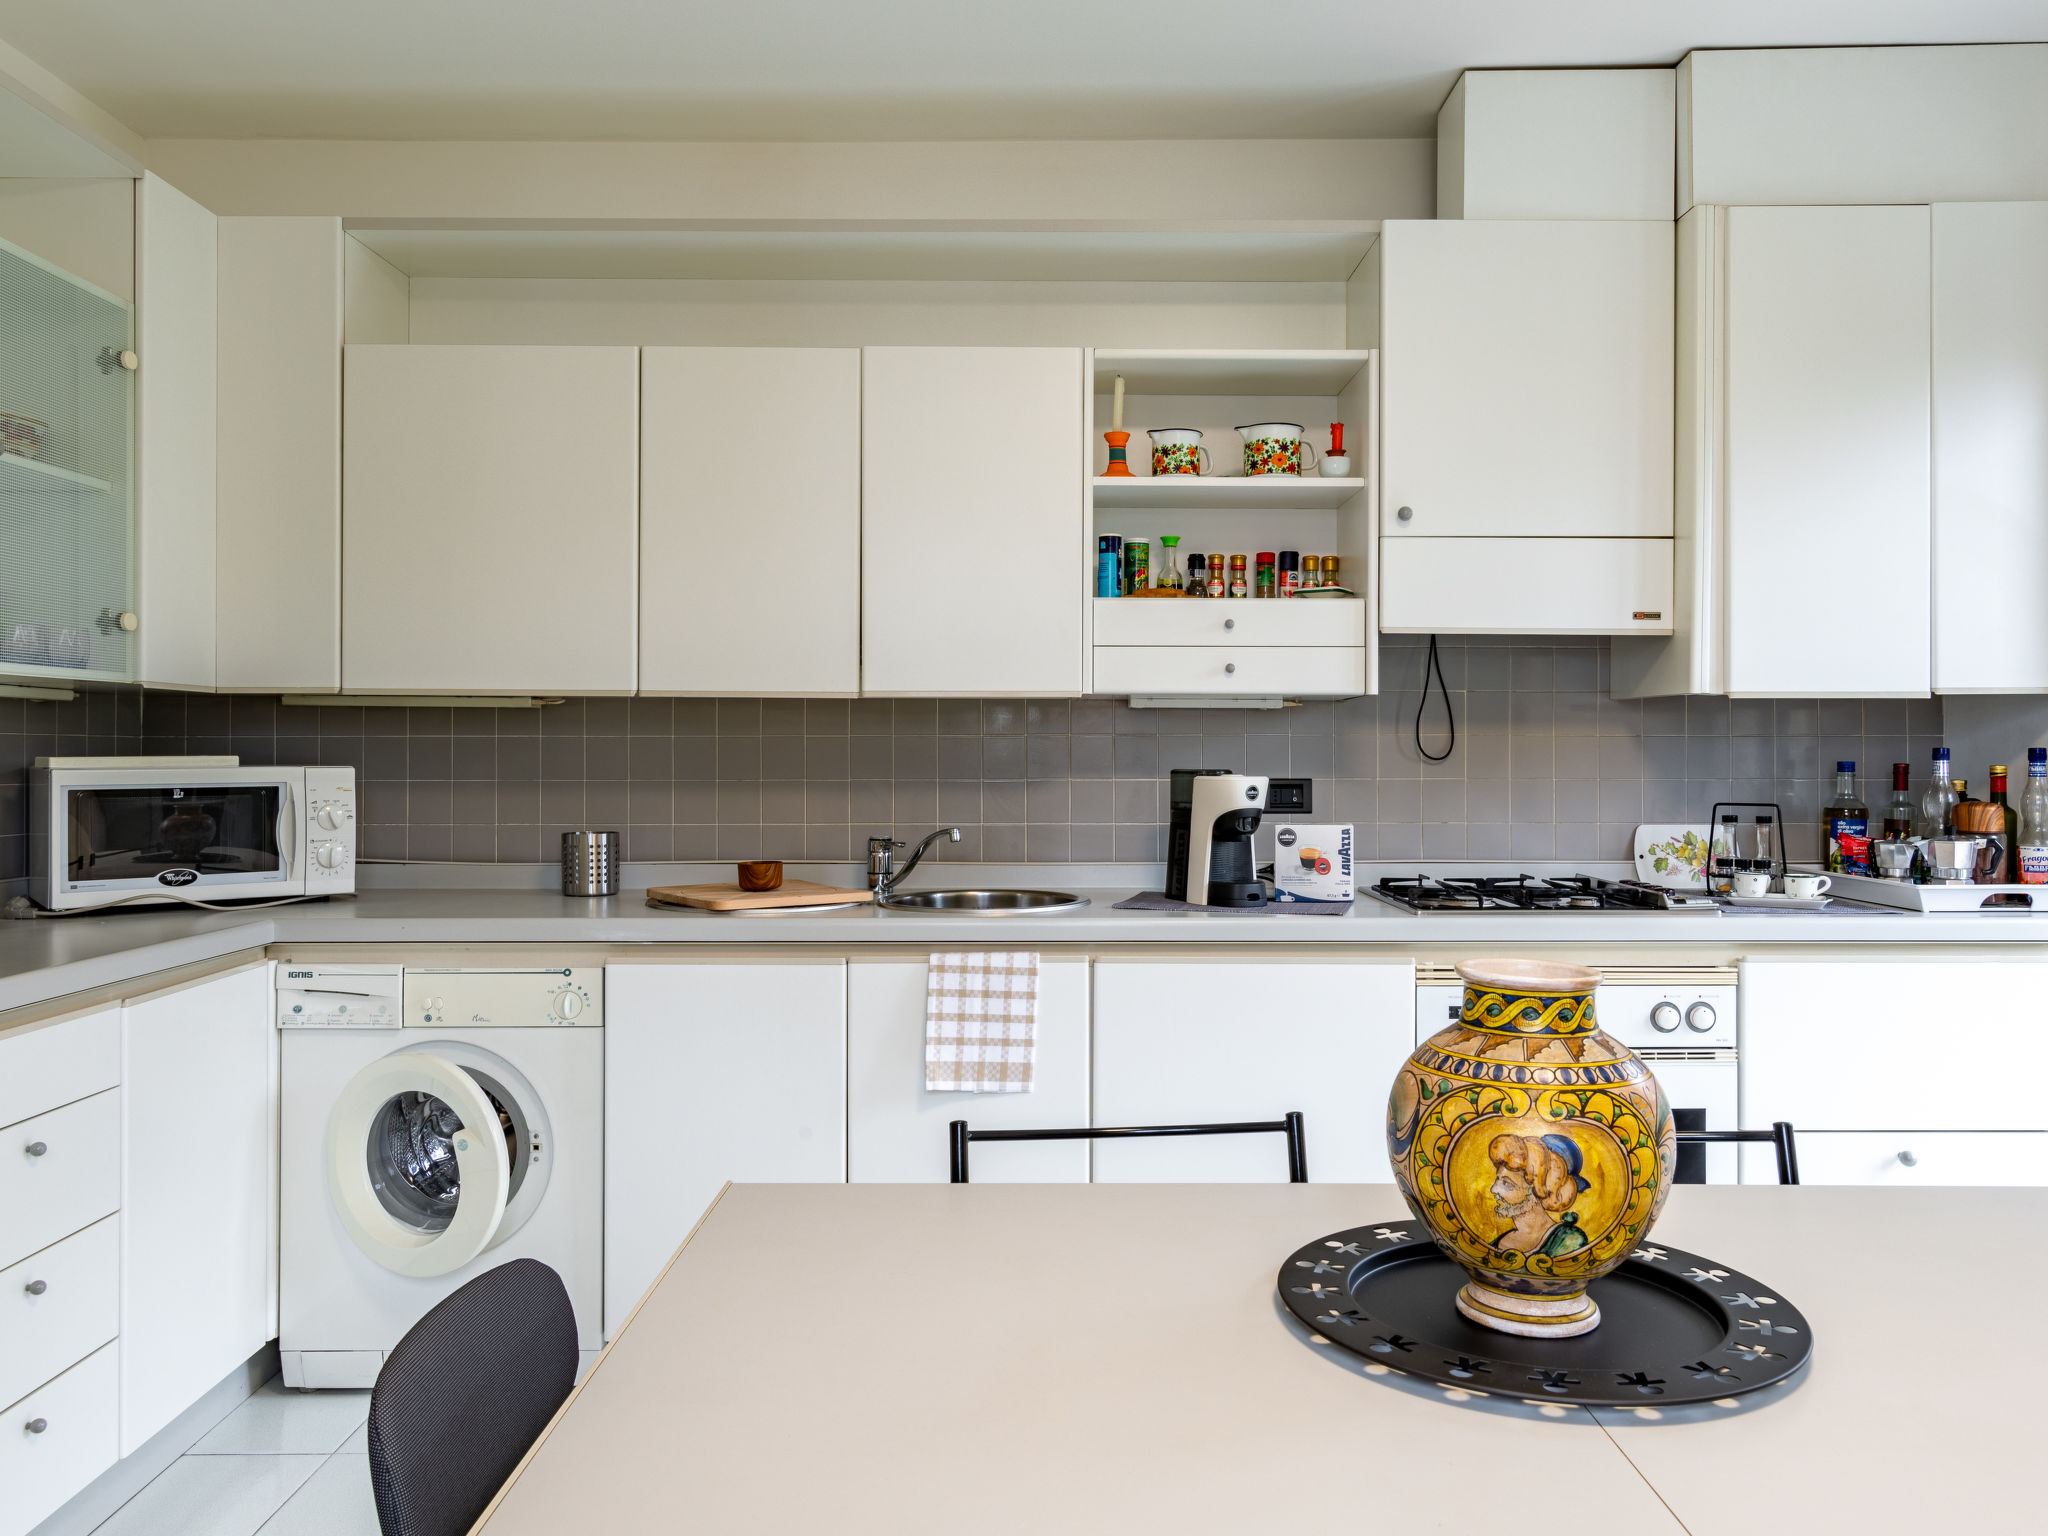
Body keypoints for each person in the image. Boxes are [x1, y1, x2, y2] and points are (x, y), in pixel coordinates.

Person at [1486, 1132, 1591, 1258]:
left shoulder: (1568, 1240)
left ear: (1537, 1190)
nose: (1494, 1189)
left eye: (1507, 1183)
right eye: (1497, 1180)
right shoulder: (1500, 1242)